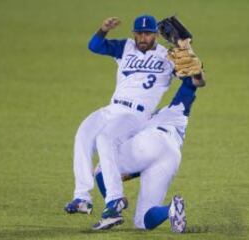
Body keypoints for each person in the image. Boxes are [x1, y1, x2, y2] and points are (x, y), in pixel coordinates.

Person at [65, 15, 176, 214]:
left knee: (105, 138)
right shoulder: (124, 47)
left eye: (148, 34)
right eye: (139, 33)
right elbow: (94, 46)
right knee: (83, 133)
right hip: (113, 108)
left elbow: (192, 77)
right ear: (134, 34)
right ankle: (82, 197)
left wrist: (186, 50)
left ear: (156, 35)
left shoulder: (168, 56)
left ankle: (115, 198)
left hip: (136, 114)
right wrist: (103, 28)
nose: (143, 37)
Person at [92, 73, 206, 231]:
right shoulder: (176, 111)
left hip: (151, 140)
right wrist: (194, 73)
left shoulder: (142, 120)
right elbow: (189, 86)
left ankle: (113, 210)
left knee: (101, 169)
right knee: (142, 222)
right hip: (171, 156)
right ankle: (171, 208)